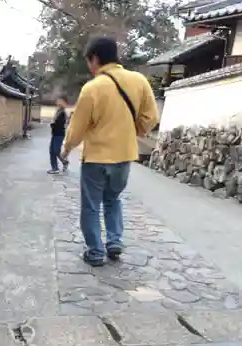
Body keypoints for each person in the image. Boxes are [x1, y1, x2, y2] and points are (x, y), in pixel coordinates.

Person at [60, 36, 159, 266]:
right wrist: (138, 130)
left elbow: (77, 128)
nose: (89, 66)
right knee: (113, 199)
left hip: (96, 159)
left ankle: (95, 252)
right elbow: (151, 116)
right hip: (124, 156)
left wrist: (66, 149)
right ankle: (114, 242)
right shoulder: (139, 81)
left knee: (91, 206)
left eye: (89, 61)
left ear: (95, 58)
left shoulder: (92, 88)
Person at [47, 96, 70, 174]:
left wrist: (53, 125)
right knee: (52, 151)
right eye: (58, 101)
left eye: (60, 101)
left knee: (56, 151)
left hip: (59, 134)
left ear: (64, 103)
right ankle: (55, 168)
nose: (58, 102)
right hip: (55, 133)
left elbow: (60, 124)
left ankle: (63, 162)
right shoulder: (58, 111)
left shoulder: (63, 113)